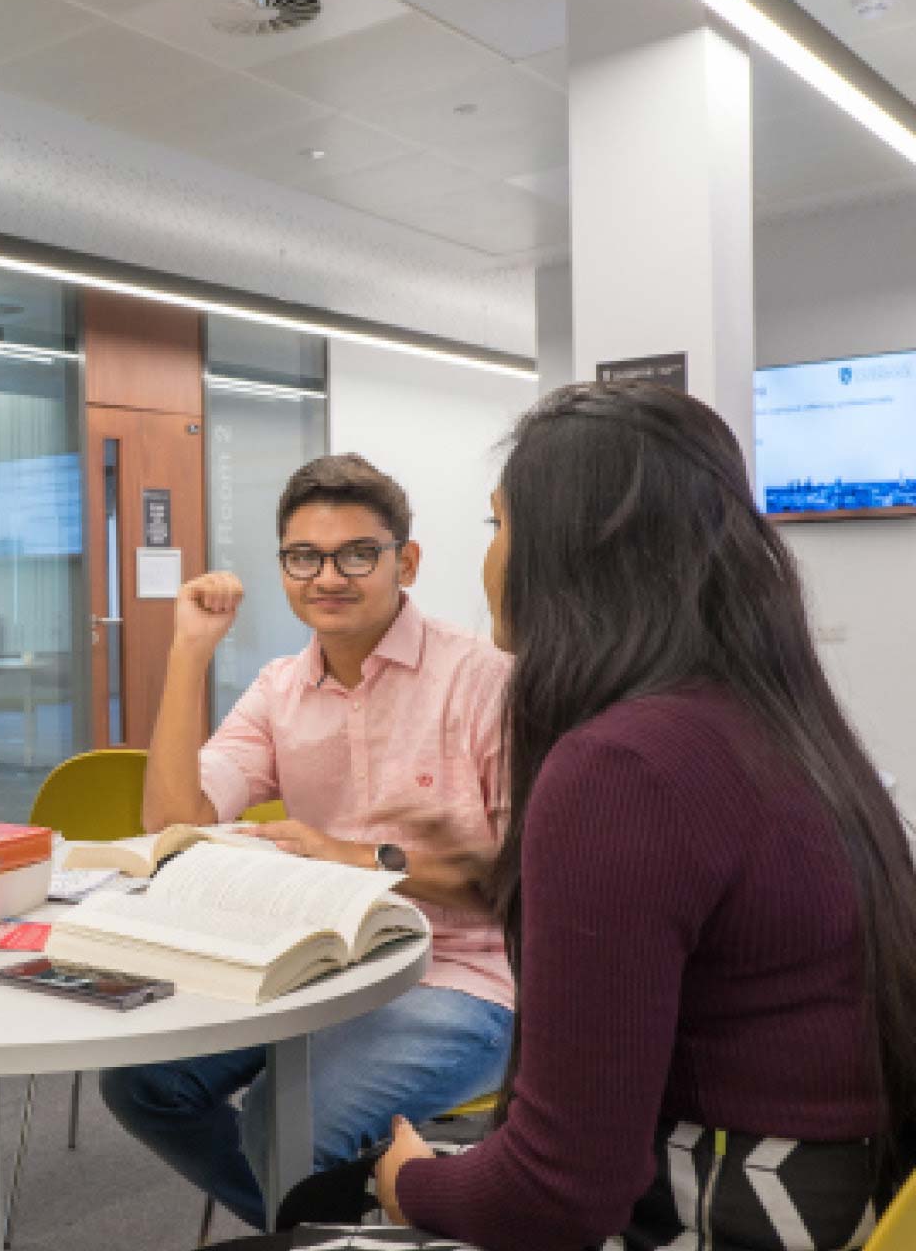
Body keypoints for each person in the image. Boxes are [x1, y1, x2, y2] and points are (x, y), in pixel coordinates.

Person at [238, 383, 916, 1250]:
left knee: (320, 1198)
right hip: (833, 1190)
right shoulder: (768, 715)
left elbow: (558, 1195)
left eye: (498, 528)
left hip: (716, 1204)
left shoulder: (619, 766)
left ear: (568, 554)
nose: (489, 566)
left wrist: (409, 1180)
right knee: (313, 1189)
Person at [99, 453, 515, 1229]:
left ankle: (317, 1217)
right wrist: (191, 649)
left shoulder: (484, 680)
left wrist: (361, 860)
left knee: (285, 1124)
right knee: (142, 1082)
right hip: (323, 962)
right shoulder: (280, 689)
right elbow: (171, 819)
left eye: (358, 553)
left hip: (464, 975)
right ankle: (321, 1226)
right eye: (304, 557)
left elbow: (523, 885)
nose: (329, 576)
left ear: (407, 561)